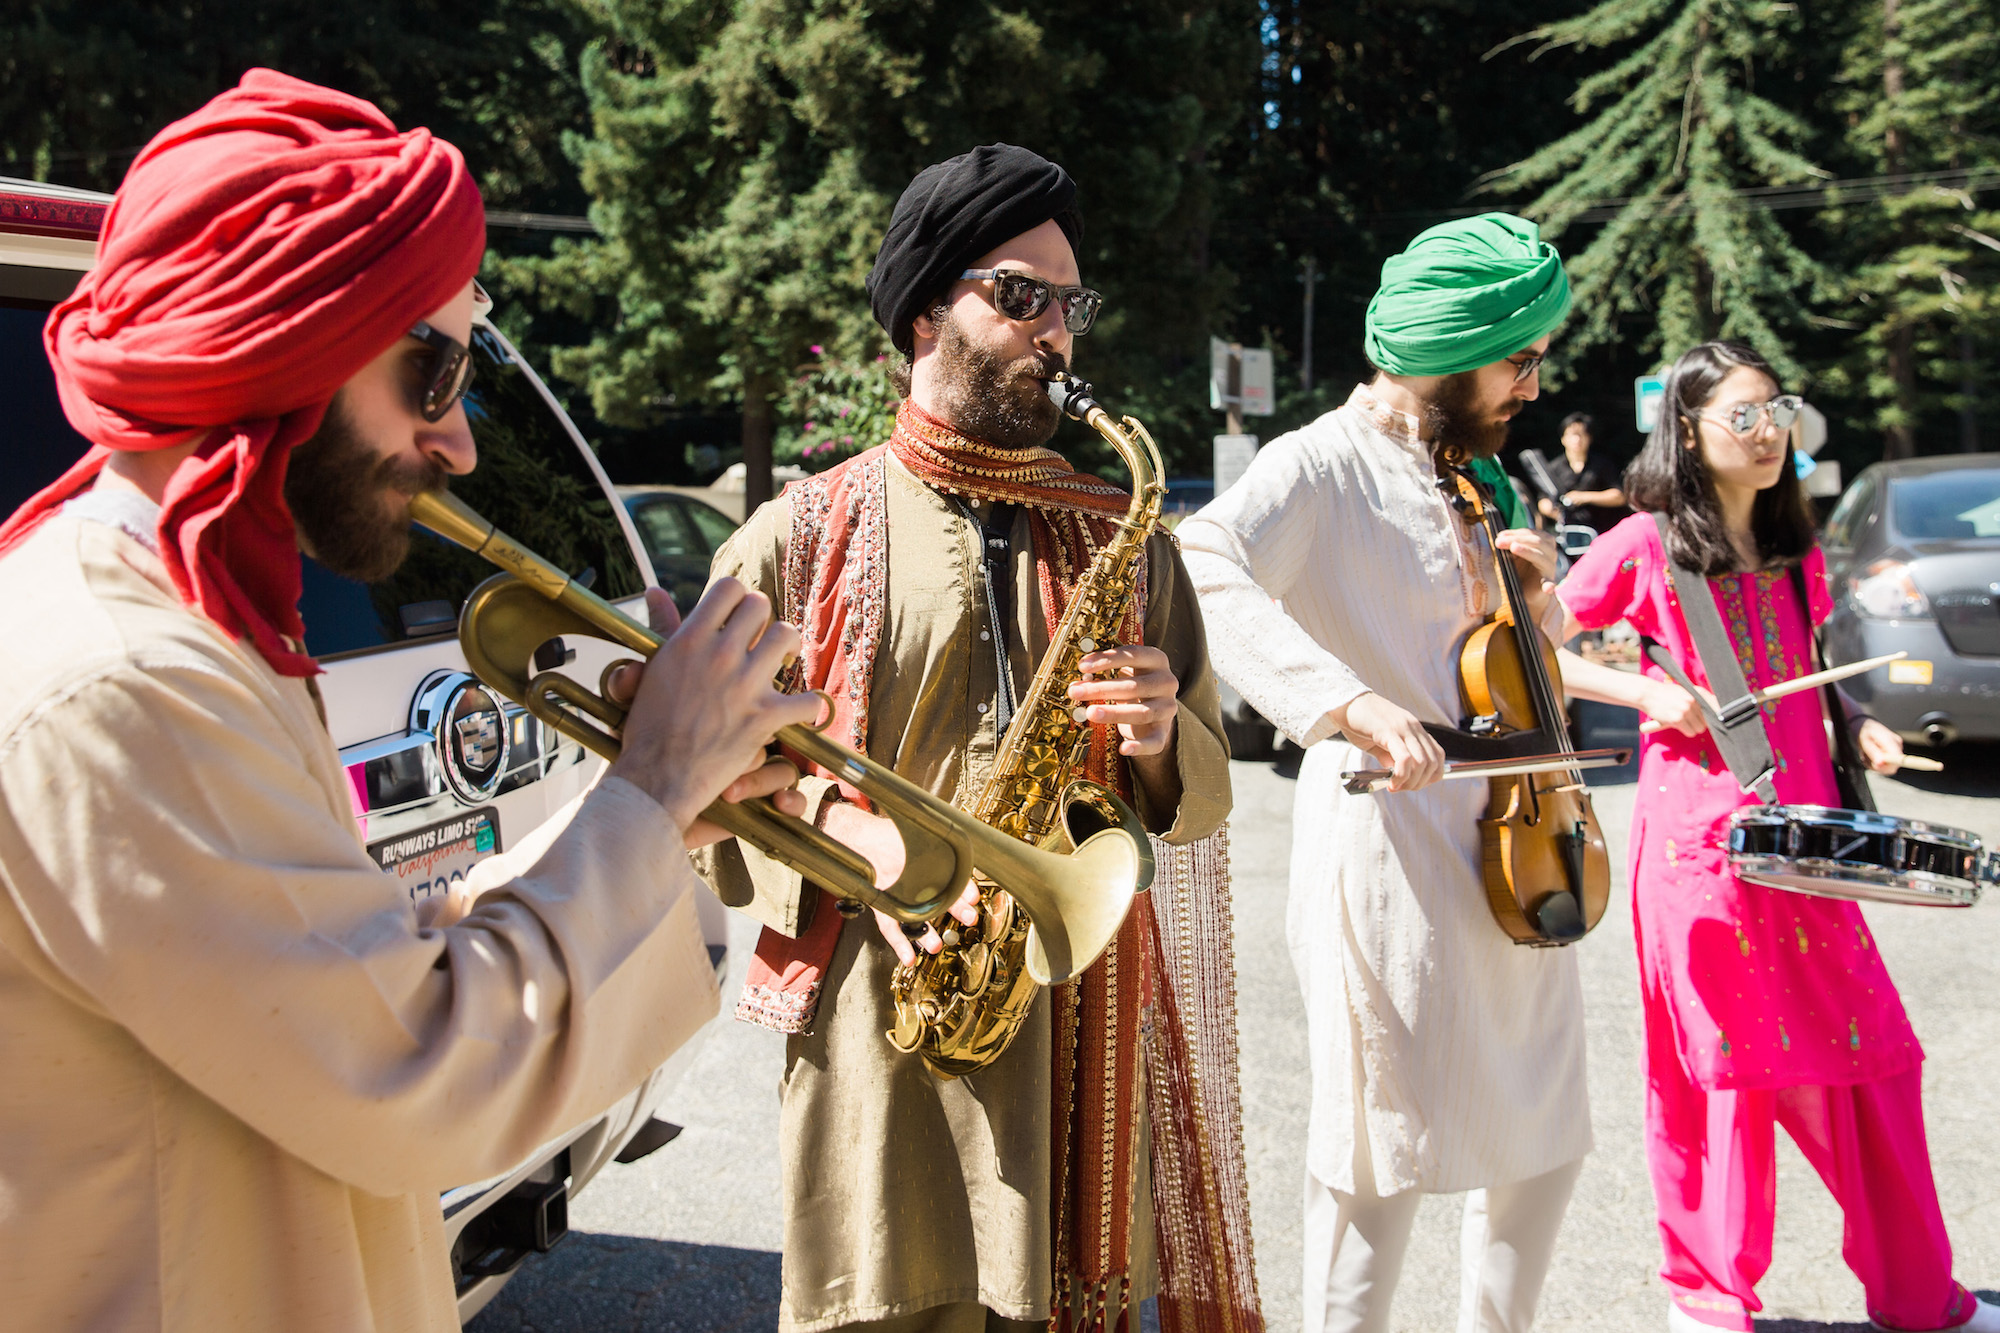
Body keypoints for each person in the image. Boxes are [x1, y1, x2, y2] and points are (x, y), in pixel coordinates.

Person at [0, 70, 820, 1332]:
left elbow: (362, 965)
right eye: (431, 374)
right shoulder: (126, 678)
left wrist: (674, 813)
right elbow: (416, 1065)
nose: (461, 443)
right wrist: (650, 792)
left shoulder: (187, 623)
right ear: (284, 345)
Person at [693, 144, 1258, 1333]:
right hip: (878, 1051)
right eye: (1018, 295)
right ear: (921, 314)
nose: (1055, 331)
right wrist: (868, 854)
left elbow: (1202, 794)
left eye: (1070, 304)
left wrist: (1158, 737)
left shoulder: (1130, 539)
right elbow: (702, 799)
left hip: (1081, 1050)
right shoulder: (789, 540)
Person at [1178, 212, 1586, 1333]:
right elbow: (1195, 562)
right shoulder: (1317, 462)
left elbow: (1496, 667)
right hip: (1386, 847)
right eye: (1520, 358)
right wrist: (1346, 704)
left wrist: (1533, 600)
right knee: (1379, 1152)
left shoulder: (1472, 481)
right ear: (1451, 346)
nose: (1531, 385)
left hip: (1509, 839)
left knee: (1543, 1135)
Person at [1553, 341, 2000, 1333]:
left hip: (1808, 851)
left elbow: (1805, 671)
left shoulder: (1795, 543)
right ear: (1685, 431)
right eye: (1741, 416)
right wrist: (1641, 691)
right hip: (1700, 854)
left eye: (1775, 411)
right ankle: (1708, 1298)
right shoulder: (1643, 540)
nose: (1766, 434)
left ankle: (1917, 1295)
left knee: (1877, 1055)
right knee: (1722, 1072)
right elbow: (1533, 640)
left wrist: (1853, 724)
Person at [1531, 412, 1625, 532]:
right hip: (1566, 533)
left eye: (1582, 434)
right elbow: (1543, 500)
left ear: (1589, 438)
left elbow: (1619, 496)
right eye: (1572, 435)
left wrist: (1585, 497)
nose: (1577, 440)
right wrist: (1553, 511)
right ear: (1563, 439)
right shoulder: (1554, 468)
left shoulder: (1602, 465)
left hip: (1600, 531)